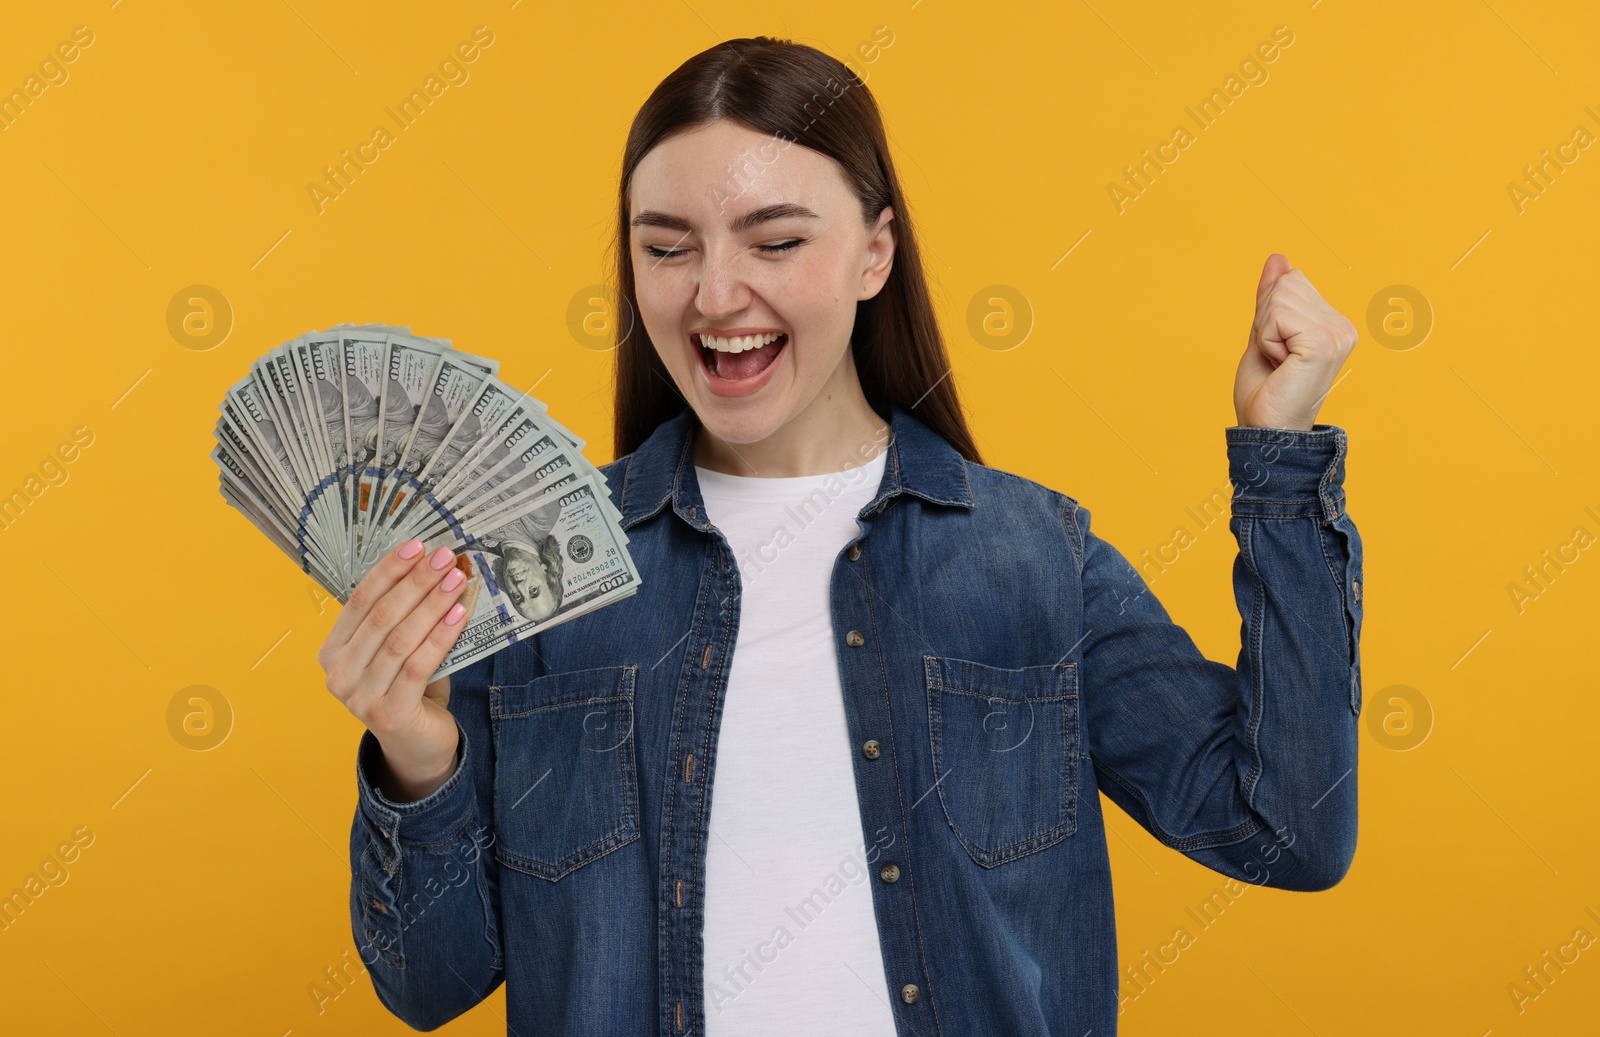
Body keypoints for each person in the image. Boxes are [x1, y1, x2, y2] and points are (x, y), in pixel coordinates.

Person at [316, 36, 1363, 1036]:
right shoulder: (537, 569)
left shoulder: (1031, 559)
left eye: (775, 241)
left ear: (875, 252)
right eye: (665, 247)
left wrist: (1281, 460)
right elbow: (428, 980)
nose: (715, 293)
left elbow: (1287, 826)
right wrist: (417, 753)